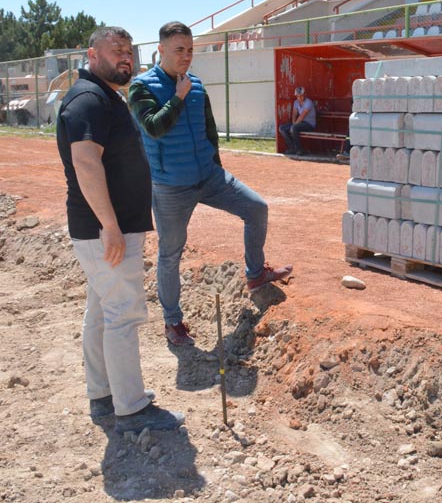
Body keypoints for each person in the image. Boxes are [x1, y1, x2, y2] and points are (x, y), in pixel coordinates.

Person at [128, 21, 293, 347]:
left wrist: (215, 165)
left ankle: (255, 273)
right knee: (170, 253)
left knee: (256, 208)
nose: (187, 56)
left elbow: (209, 131)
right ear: (161, 50)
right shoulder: (141, 88)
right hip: (171, 186)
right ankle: (172, 322)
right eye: (179, 50)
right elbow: (153, 128)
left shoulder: (196, 85)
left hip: (210, 177)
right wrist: (176, 97)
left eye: (190, 50)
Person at [57, 26, 185, 432]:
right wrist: (110, 225)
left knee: (102, 313)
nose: (125, 57)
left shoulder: (103, 97)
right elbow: (86, 162)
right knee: (123, 315)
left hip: (105, 230)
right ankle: (131, 406)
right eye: (116, 51)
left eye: (129, 51)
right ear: (92, 55)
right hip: (106, 232)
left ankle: (102, 392)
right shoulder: (89, 100)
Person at [279, 86, 316, 156]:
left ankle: (299, 149)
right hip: (299, 123)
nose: (300, 98)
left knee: (294, 128)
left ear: (305, 94)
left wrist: (294, 126)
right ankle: (292, 148)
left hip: (309, 124)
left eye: (301, 95)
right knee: (282, 128)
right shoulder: (296, 102)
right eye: (298, 96)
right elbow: (294, 114)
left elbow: (302, 116)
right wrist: (293, 123)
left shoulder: (309, 102)